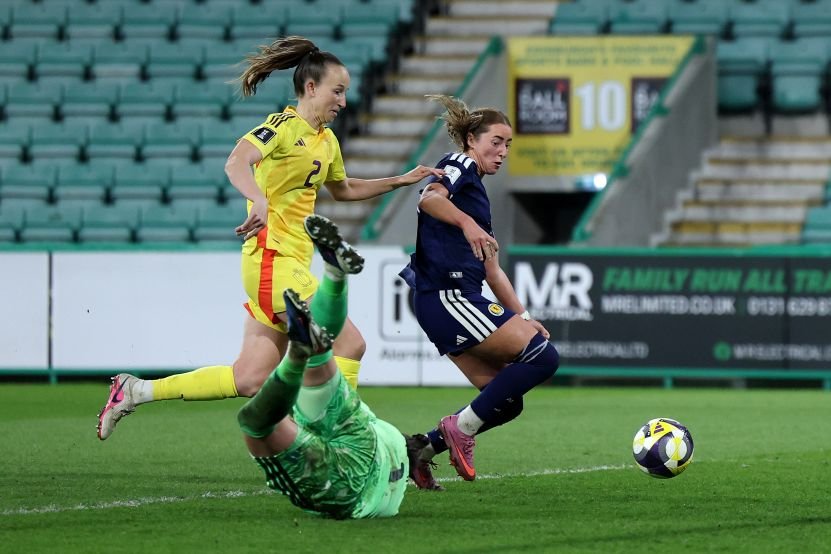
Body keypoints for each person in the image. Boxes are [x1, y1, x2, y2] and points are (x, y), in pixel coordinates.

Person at [96, 36, 442, 440]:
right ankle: (341, 440)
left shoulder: (326, 141)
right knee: (350, 344)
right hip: (270, 262)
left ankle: (135, 390)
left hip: (293, 263)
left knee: (249, 378)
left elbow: (343, 189)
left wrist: (400, 180)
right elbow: (236, 161)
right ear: (311, 88)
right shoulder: (281, 126)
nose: (344, 102)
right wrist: (257, 198)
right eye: (338, 91)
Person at [399, 95, 559, 490]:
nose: (503, 152)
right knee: (543, 357)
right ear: (471, 139)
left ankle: (420, 449)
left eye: (508, 145)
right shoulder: (460, 164)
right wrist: (468, 224)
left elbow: (492, 269)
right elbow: (429, 199)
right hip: (449, 295)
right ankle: (457, 429)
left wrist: (523, 318)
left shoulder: (477, 194)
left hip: (449, 299)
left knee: (504, 402)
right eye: (497, 141)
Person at [236, 215, 412, 519]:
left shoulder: (335, 436)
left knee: (305, 384)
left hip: (370, 462)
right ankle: (327, 290)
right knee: (262, 420)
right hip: (363, 471)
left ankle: (331, 284)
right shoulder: (318, 427)